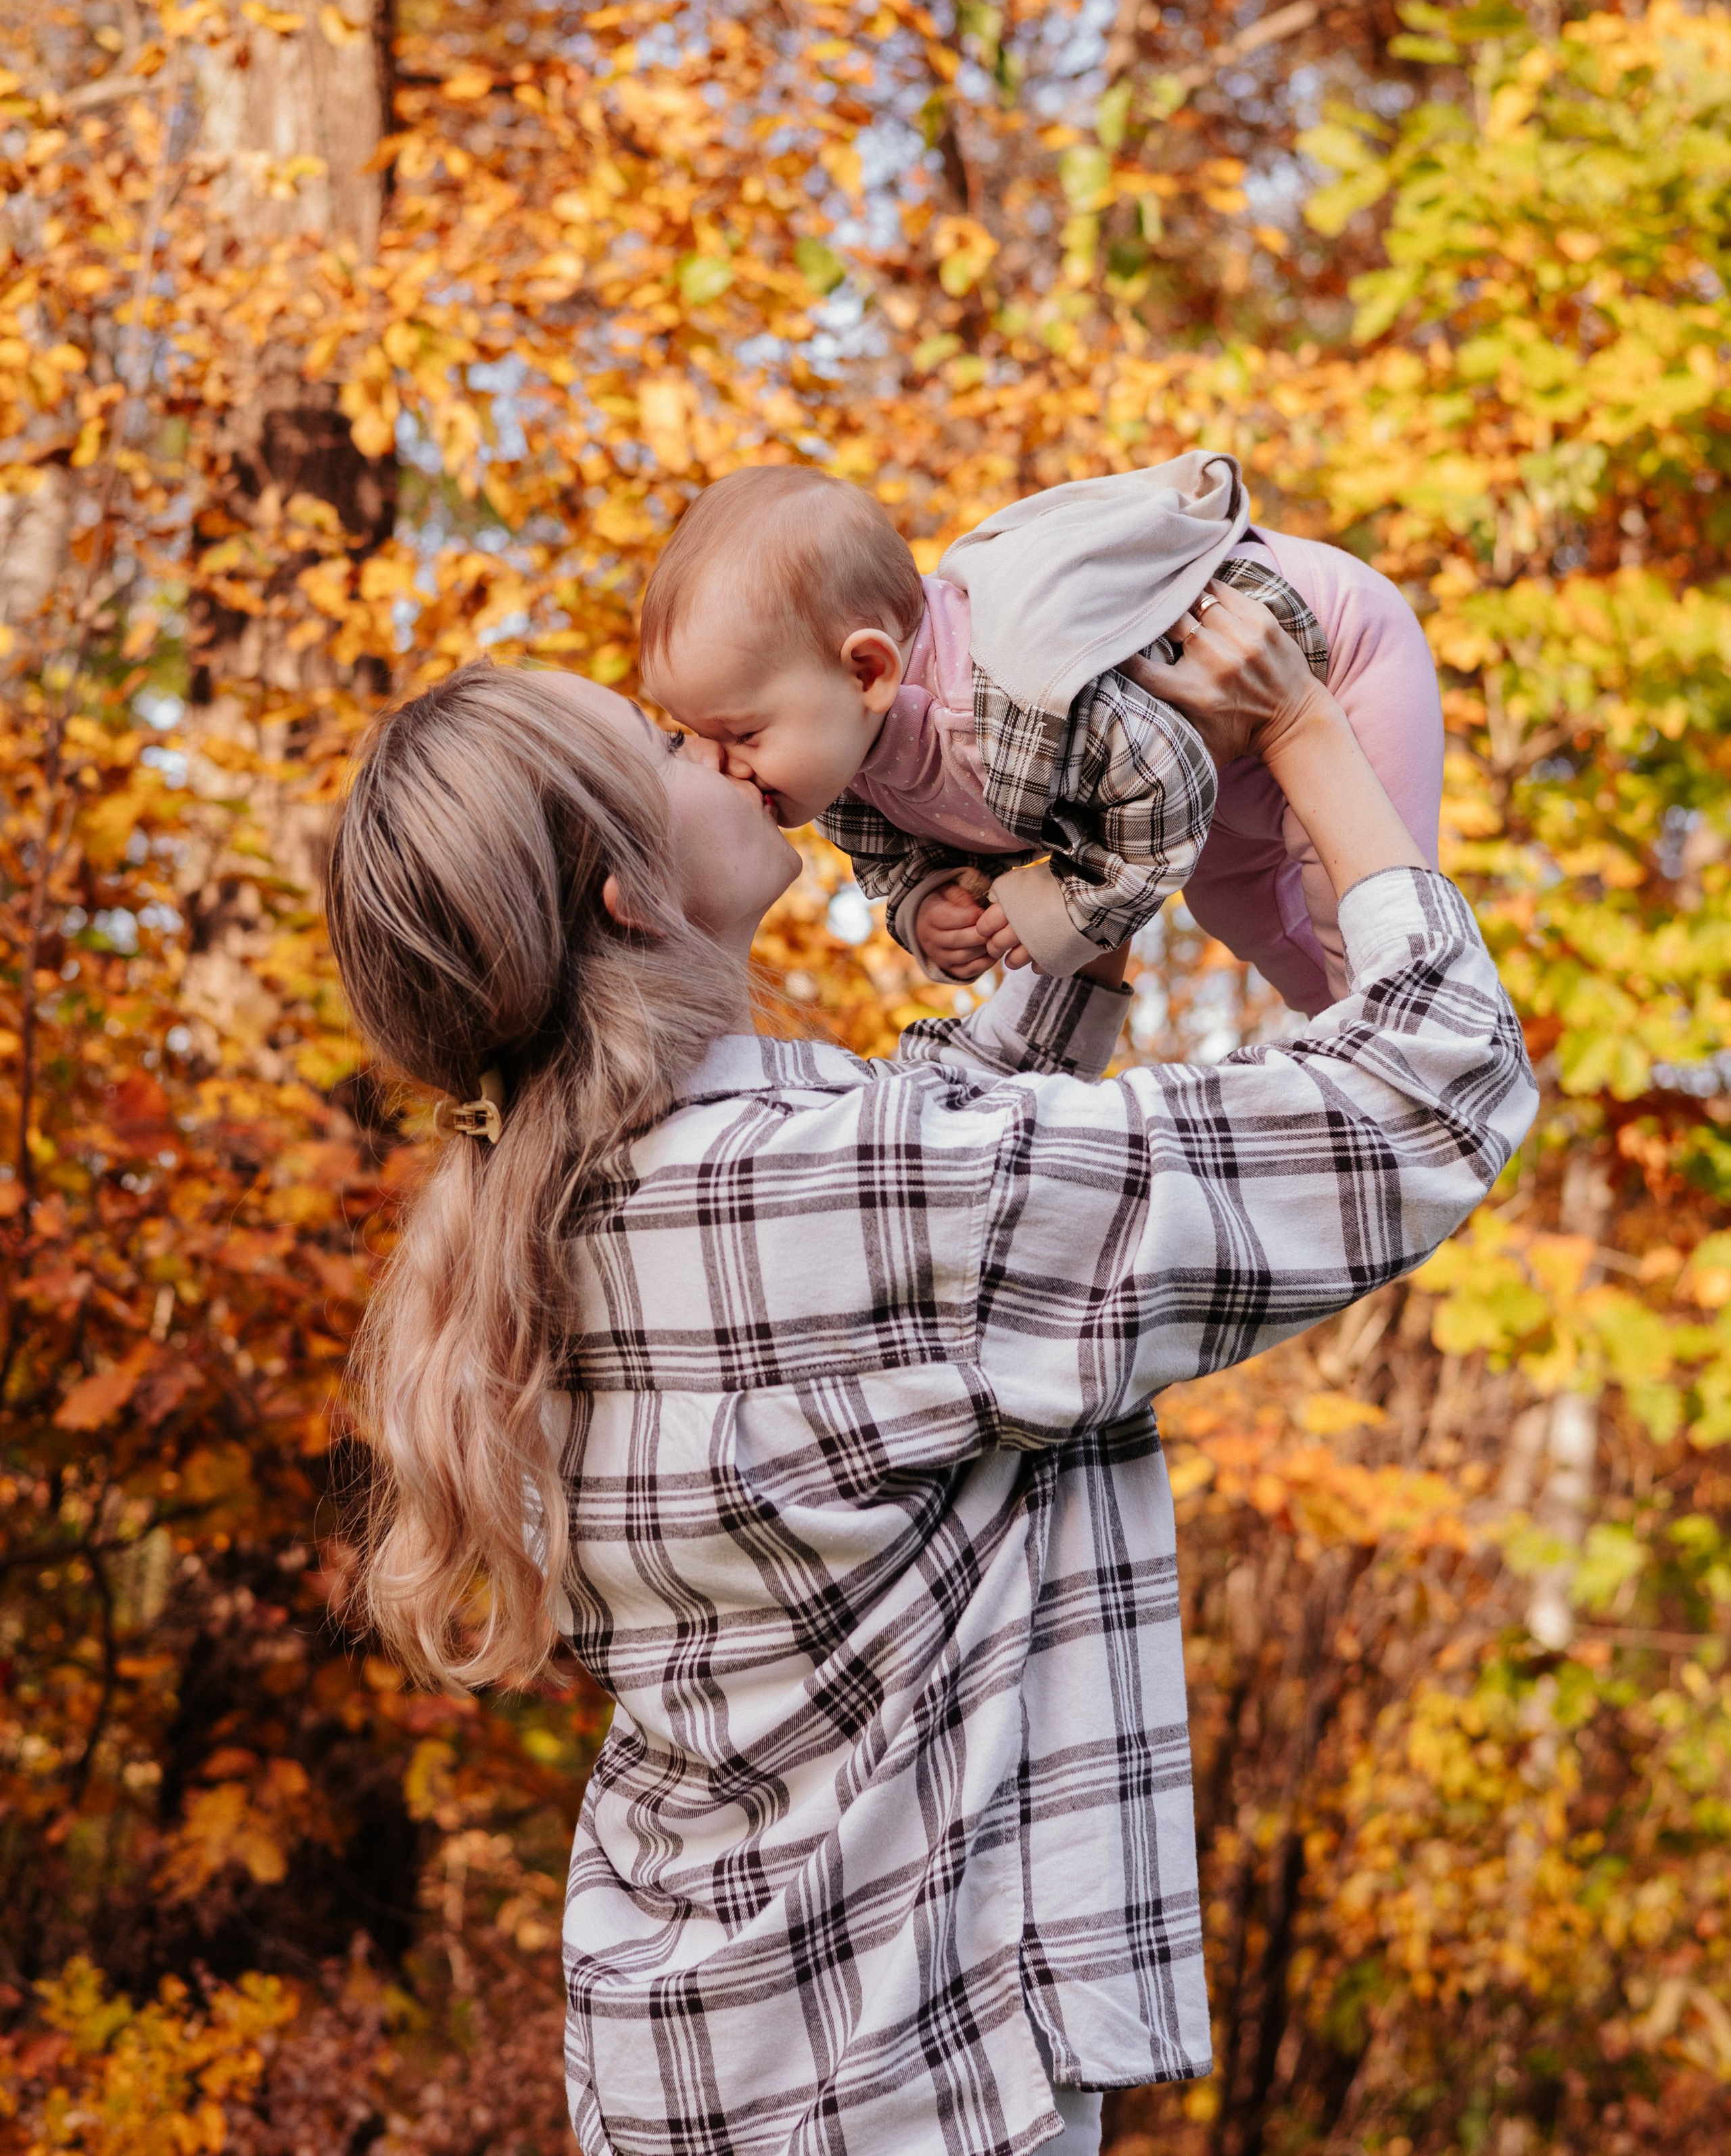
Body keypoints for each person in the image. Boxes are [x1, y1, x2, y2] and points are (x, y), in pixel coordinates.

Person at [323, 594, 1534, 2156]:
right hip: (897, 2093)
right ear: (627, 888)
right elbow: (1431, 1092)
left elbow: (949, 1140)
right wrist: (1302, 726)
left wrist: (1082, 840)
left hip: (687, 2061)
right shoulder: (829, 1189)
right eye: (661, 741)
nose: (709, 741)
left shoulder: (549, 1200)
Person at [638, 458, 1442, 1012]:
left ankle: (1398, 1041)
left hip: (1325, 655)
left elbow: (1166, 784)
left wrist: (1069, 905)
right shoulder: (839, 763)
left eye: (738, 731)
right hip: (1214, 758)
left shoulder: (1007, 695)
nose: (717, 762)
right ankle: (1347, 1047)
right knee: (1239, 909)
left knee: (1354, 906)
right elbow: (891, 860)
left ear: (868, 672)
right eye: (690, 735)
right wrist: (923, 907)